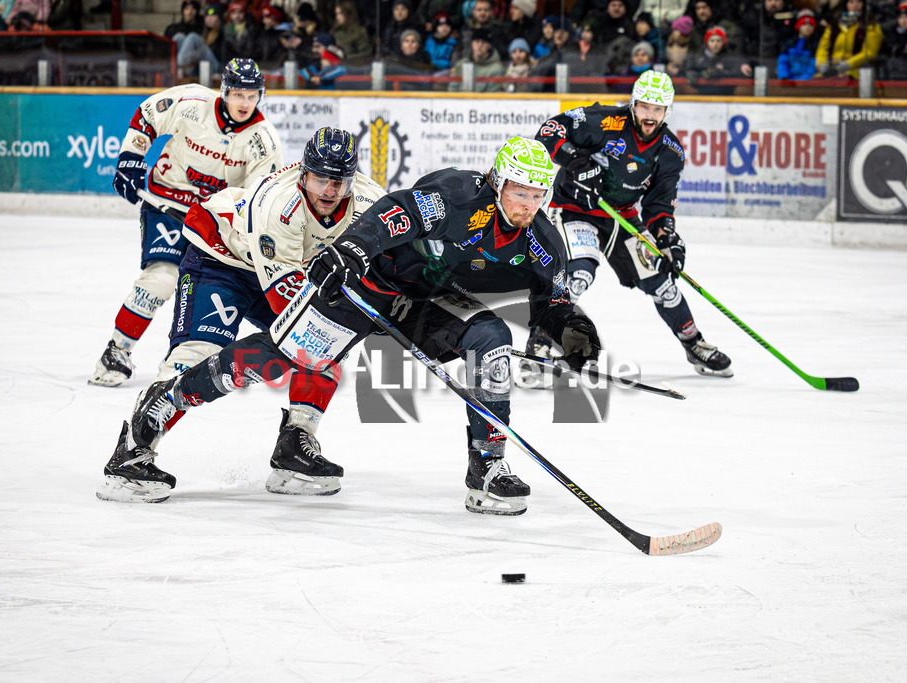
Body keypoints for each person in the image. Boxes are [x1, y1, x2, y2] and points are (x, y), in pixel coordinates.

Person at [99, 137, 601, 516]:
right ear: (497, 182)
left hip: (422, 300)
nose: (527, 204)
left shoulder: (542, 239)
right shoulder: (454, 195)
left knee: (492, 339)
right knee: (280, 357)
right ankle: (161, 409)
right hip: (363, 286)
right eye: (519, 192)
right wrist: (352, 252)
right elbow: (391, 214)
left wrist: (570, 330)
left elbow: (553, 300)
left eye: (537, 194)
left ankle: (487, 467)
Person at [96, 127, 386, 503]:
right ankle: (131, 454)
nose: (329, 191)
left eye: (338, 182)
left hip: (284, 269)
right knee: (196, 356)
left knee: (326, 343)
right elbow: (286, 303)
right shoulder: (278, 205)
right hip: (221, 257)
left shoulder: (370, 201)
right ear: (304, 174)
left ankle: (294, 447)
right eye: (320, 180)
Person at [89, 58, 283, 387]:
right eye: (238, 94)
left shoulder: (264, 141)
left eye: (252, 96)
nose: (245, 103)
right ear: (225, 92)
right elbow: (148, 115)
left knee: (207, 289)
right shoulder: (192, 103)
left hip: (212, 224)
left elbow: (256, 203)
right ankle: (117, 350)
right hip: (167, 202)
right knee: (162, 278)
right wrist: (131, 157)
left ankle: (179, 357)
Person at [527, 70, 732, 380]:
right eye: (645, 106)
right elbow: (549, 131)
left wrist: (666, 238)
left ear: (667, 111)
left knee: (663, 284)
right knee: (579, 274)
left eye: (657, 109)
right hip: (574, 209)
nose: (650, 115)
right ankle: (540, 344)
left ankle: (694, 344)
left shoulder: (670, 151)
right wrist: (575, 159)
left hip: (621, 217)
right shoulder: (604, 121)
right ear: (633, 104)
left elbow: (659, 204)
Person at [814, 0, 884, 77]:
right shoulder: (834, 25)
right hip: (830, 71)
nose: (855, 5)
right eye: (851, 2)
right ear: (846, 5)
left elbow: (870, 52)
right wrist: (822, 65)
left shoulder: (871, 26)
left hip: (856, 73)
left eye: (859, 2)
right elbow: (823, 48)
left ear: (863, 5)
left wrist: (846, 65)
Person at [685, 24, 753, 94]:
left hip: (725, 96)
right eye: (712, 40)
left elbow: (740, 73)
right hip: (704, 96)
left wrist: (719, 73)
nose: (715, 44)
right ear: (707, 42)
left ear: (723, 42)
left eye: (718, 41)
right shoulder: (697, 57)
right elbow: (687, 72)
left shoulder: (729, 57)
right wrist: (693, 74)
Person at [448, 26, 505, 90]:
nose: (479, 45)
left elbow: (491, 93)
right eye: (477, 41)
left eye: (484, 42)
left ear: (489, 46)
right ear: (472, 43)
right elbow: (453, 88)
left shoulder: (496, 69)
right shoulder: (462, 64)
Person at [777, 9, 820, 79]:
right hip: (788, 81)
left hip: (806, 82)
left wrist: (804, 80)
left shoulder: (815, 45)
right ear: (798, 26)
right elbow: (783, 62)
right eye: (804, 24)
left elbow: (812, 66)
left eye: (811, 25)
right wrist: (784, 77)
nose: (808, 27)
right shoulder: (789, 43)